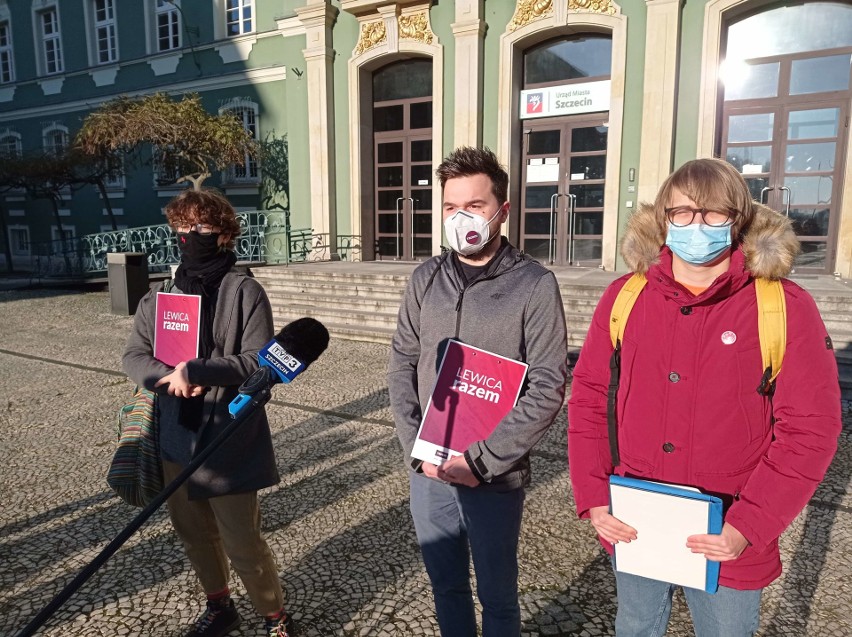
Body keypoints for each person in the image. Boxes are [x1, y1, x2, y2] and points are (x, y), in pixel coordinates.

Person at [568, 158, 841, 636]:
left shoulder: (782, 306)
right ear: (663, 219)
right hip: (637, 513)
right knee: (635, 626)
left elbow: (810, 430)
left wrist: (749, 525)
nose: (698, 226)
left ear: (738, 221)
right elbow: (591, 399)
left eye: (715, 214)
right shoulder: (624, 298)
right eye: (683, 213)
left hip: (728, 527)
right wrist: (594, 496)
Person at [388, 146, 568, 636]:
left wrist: (484, 459)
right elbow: (402, 364)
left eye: (476, 205)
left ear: (502, 211)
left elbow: (549, 384)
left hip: (495, 476)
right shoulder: (426, 279)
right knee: (446, 587)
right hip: (429, 471)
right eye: (451, 207)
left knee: (498, 596)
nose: (461, 217)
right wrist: (414, 450)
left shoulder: (534, 285)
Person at [123, 189, 291, 637]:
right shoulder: (160, 296)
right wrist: (165, 378)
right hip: (177, 432)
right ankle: (220, 606)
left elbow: (260, 359)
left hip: (228, 435)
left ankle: (274, 617)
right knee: (194, 535)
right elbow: (134, 355)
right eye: (182, 227)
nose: (190, 235)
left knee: (243, 542)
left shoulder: (245, 291)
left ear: (223, 232)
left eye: (201, 227)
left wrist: (197, 369)